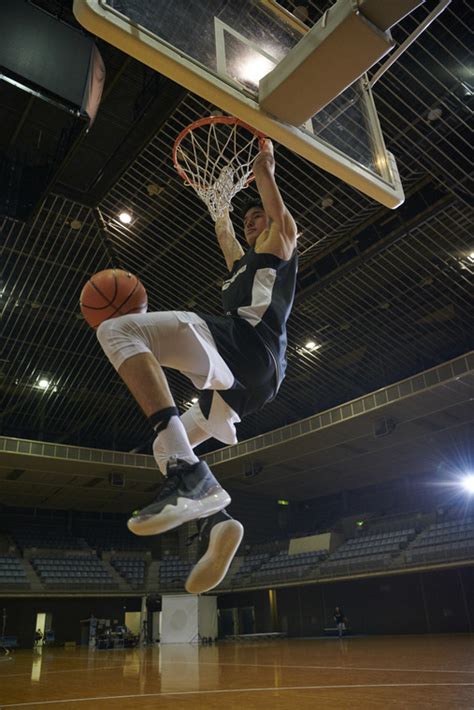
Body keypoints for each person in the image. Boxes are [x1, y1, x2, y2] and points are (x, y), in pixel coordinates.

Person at [96, 139, 298, 594]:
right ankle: (219, 523)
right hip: (246, 383)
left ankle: (193, 481)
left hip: (248, 346)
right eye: (248, 218)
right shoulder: (244, 267)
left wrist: (264, 164)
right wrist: (221, 207)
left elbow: (277, 212)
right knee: (169, 448)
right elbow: (226, 238)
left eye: (257, 216)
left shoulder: (281, 244)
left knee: (118, 331)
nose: (252, 220)